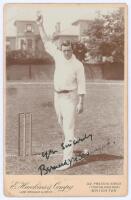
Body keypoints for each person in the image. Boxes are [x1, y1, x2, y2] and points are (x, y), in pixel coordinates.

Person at [36, 13, 86, 170]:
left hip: (70, 98)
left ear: (72, 49)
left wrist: (81, 102)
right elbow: (46, 41)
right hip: (57, 96)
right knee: (62, 123)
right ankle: (71, 142)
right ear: (61, 49)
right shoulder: (58, 56)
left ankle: (67, 160)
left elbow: (82, 84)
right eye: (64, 50)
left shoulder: (78, 65)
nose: (66, 53)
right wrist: (40, 25)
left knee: (68, 129)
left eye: (69, 50)